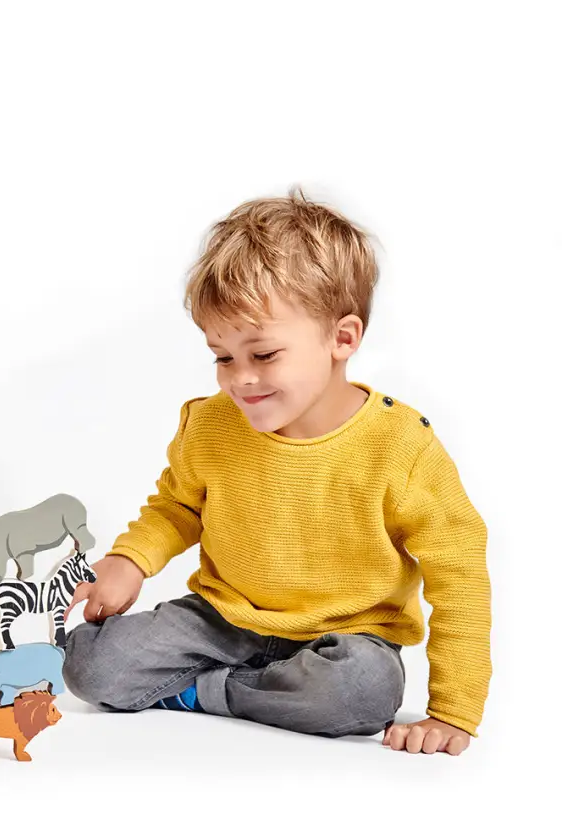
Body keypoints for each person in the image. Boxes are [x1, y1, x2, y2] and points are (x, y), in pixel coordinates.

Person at [62, 187, 492, 756]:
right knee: (92, 663)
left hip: (343, 639)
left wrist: (453, 710)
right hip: (220, 620)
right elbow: (177, 507)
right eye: (223, 356)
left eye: (263, 355)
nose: (240, 378)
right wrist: (129, 560)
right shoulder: (211, 424)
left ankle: (202, 695)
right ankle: (246, 693)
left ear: (343, 338)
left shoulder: (401, 446)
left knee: (364, 691)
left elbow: (459, 574)